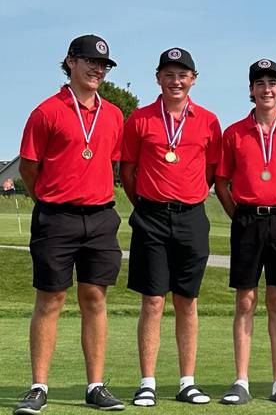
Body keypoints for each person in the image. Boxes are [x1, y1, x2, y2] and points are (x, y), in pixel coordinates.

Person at [15, 33, 126, 414]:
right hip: (56, 217)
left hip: (100, 217)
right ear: (71, 62)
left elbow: (109, 161)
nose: (97, 69)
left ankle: (95, 386)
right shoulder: (45, 112)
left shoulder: (114, 115)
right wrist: (47, 199)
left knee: (94, 299)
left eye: (103, 65)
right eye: (90, 62)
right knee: (51, 299)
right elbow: (29, 167)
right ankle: (38, 386)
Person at [120, 47, 221, 406]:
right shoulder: (140, 119)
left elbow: (211, 170)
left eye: (183, 75)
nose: (176, 81)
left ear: (193, 79)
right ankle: (147, 381)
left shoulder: (209, 121)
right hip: (151, 216)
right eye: (169, 74)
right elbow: (128, 172)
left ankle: (186, 382)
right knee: (152, 302)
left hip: (192, 216)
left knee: (187, 301)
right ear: (158, 78)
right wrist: (148, 203)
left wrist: (188, 195)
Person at [214, 58, 276, 405]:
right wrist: (239, 214)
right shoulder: (234, 133)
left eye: (272, 83)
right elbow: (222, 182)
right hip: (247, 220)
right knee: (245, 300)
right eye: (260, 84)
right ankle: (240, 380)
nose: (266, 89)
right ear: (251, 91)